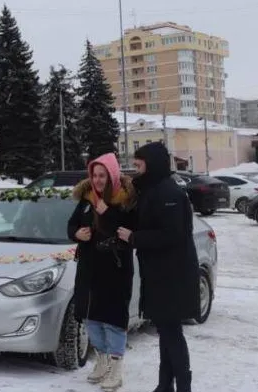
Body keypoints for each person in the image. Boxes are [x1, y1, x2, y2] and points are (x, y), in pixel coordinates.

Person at [117, 142, 198, 392]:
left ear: (151, 163)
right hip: (159, 273)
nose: (135, 168)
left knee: (172, 333)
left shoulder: (168, 193)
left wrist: (134, 238)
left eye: (139, 163)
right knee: (166, 332)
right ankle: (165, 385)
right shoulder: (152, 190)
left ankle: (183, 386)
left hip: (172, 276)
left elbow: (171, 234)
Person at [68, 153, 136, 390]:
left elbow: (128, 232)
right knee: (91, 318)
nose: (97, 180)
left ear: (112, 176)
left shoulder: (126, 201)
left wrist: (107, 212)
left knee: (113, 321)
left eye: (102, 176)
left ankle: (116, 369)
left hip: (115, 270)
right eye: (94, 175)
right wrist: (76, 233)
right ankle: (102, 360)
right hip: (89, 269)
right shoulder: (87, 199)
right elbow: (71, 225)